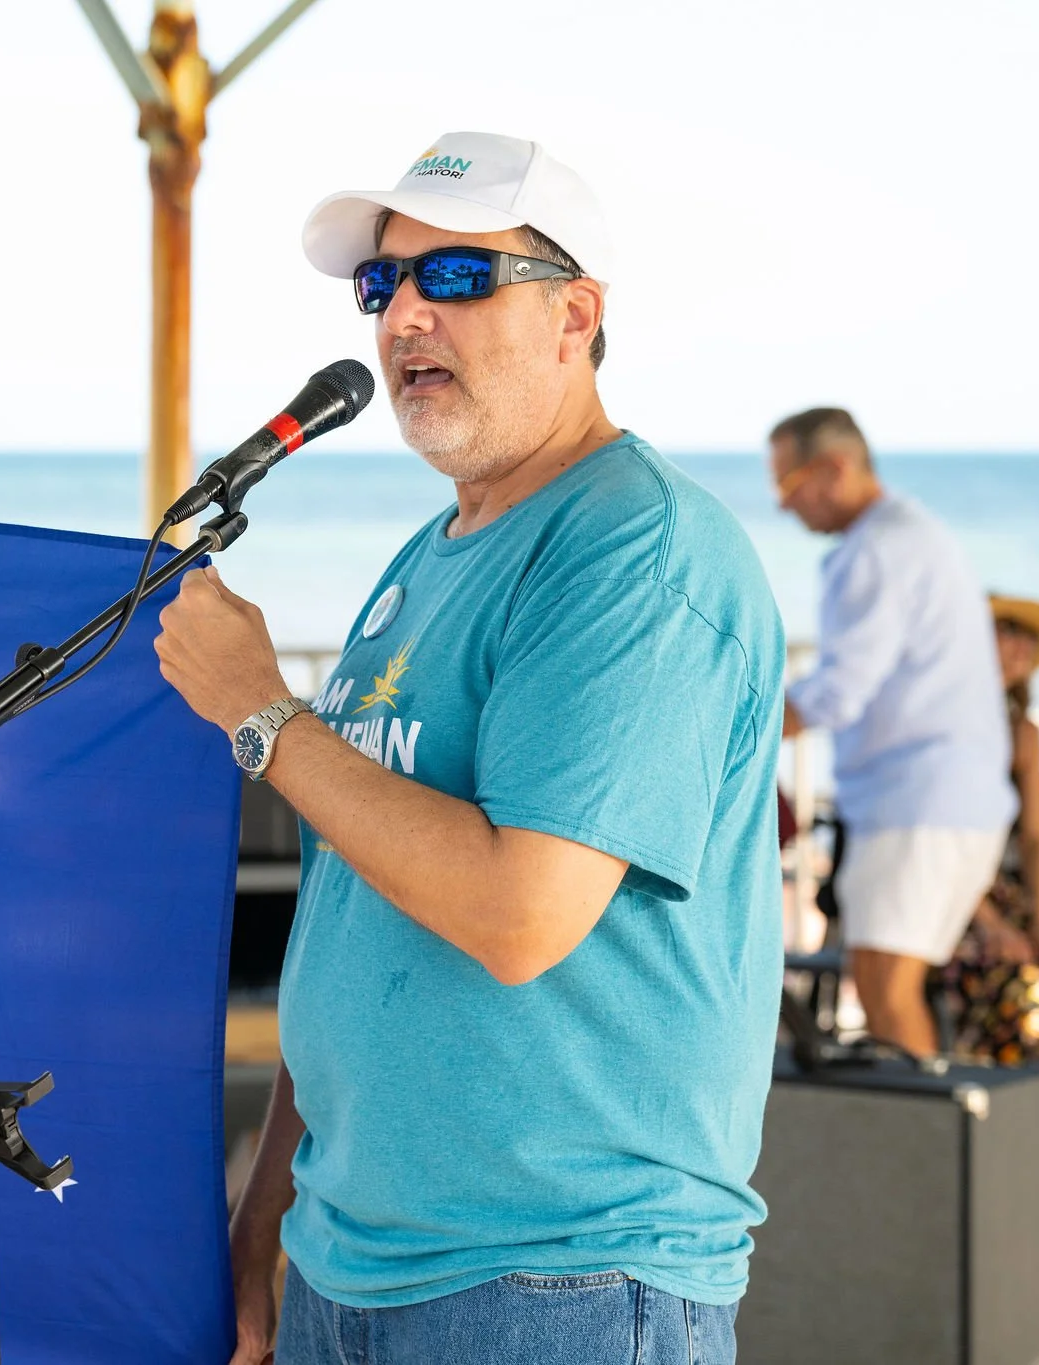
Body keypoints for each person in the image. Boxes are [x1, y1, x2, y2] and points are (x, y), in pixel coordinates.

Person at [155, 131, 783, 1365]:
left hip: (558, 1283)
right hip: (349, 1264)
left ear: (573, 315)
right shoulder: (423, 562)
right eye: (380, 285)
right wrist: (265, 1218)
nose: (400, 319)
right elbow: (353, 905)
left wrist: (258, 711)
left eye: (454, 278)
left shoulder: (633, 552)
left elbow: (515, 912)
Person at [772, 408, 1015, 1059]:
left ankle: (925, 1153)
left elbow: (839, 689)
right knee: (895, 988)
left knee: (885, 989)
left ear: (834, 468)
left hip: (916, 806)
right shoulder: (913, 533)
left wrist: (741, 733)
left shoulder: (875, 548)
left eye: (789, 484)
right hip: (951, 803)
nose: (783, 505)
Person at [938, 595, 1039, 1062]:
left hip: (1004, 891)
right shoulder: (938, 720)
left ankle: (1036, 1109)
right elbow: (938, 835)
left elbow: (1035, 837)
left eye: (1029, 639)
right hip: (947, 886)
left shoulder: (1023, 733)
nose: (1021, 648)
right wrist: (989, 922)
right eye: (1008, 631)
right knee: (1017, 980)